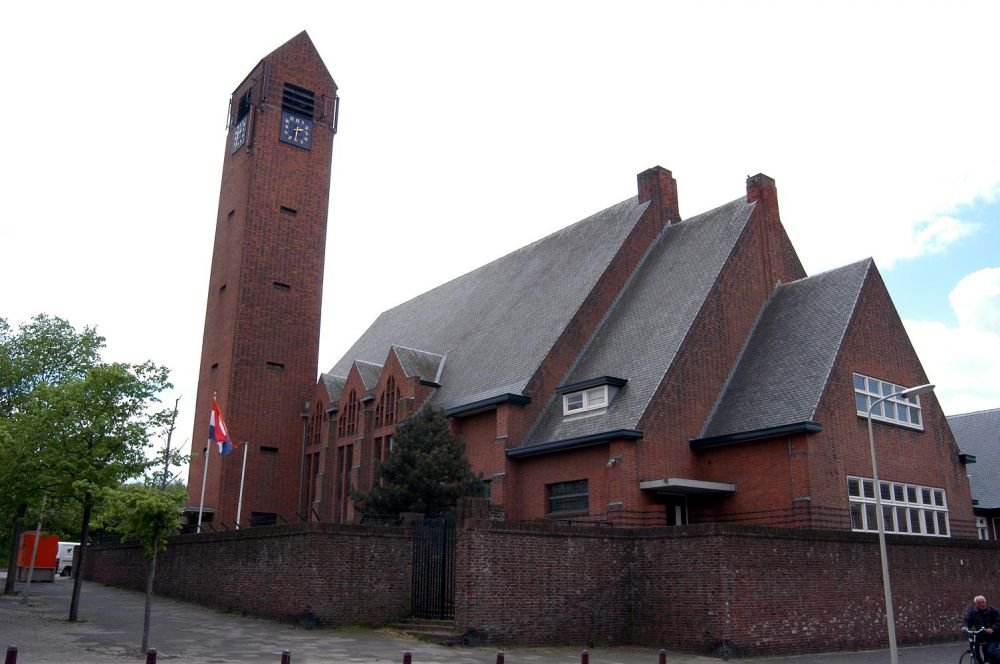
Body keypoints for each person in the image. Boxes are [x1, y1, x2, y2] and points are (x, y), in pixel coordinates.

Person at [965, 595, 1000, 663]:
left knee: (991, 651)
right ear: (976, 604)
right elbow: (967, 620)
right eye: (979, 603)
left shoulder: (993, 611)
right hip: (981, 635)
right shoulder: (973, 612)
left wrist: (992, 629)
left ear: (985, 602)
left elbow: (998, 622)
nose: (981, 604)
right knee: (974, 647)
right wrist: (965, 627)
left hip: (994, 636)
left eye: (982, 602)